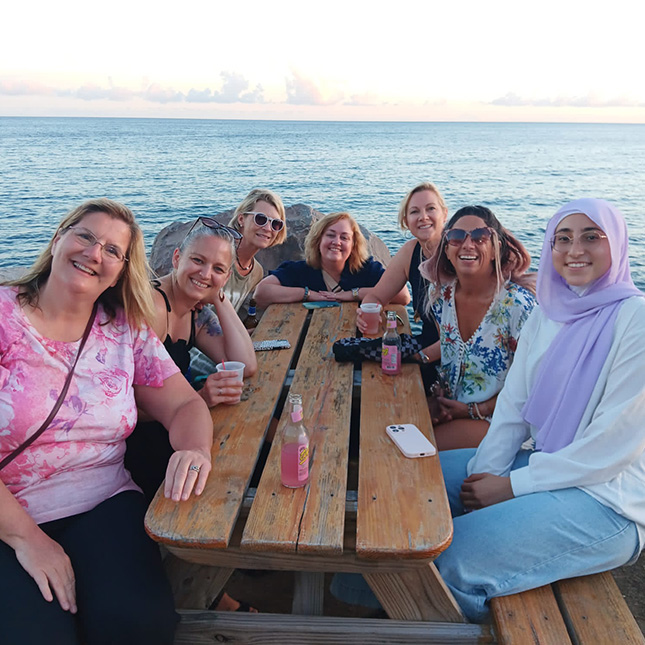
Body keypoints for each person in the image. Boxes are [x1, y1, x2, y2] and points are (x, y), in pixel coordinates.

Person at [0, 198, 213, 644]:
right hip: (9, 512)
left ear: (121, 270)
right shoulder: (5, 318)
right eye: (86, 236)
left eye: (113, 251)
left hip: (103, 500)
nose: (95, 253)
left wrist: (194, 449)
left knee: (137, 624)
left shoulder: (124, 328)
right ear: (59, 239)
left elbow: (184, 406)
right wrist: (29, 540)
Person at [435, 198, 645, 623]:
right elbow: (513, 408)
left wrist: (509, 488)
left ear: (617, 245)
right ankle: (366, 603)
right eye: (562, 239)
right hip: (547, 462)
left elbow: (610, 448)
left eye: (591, 237)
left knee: (452, 561)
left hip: (608, 499)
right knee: (418, 488)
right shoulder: (548, 314)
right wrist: (485, 475)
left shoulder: (635, 319)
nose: (574, 250)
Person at [126, 216, 257, 502]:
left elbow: (246, 364)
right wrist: (201, 397)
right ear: (176, 258)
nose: (205, 272)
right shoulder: (152, 307)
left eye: (219, 268)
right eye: (198, 260)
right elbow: (127, 406)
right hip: (138, 448)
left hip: (177, 433)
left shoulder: (196, 314)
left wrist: (217, 296)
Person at [419, 205, 536, 450]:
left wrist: (474, 409)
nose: (468, 244)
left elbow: (532, 384)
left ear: (496, 249)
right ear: (447, 249)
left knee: (418, 451)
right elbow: (454, 346)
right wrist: (438, 389)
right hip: (456, 409)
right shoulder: (441, 294)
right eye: (456, 236)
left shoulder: (517, 306)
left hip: (504, 420)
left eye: (480, 237)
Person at [356, 182, 447, 382]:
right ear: (406, 221)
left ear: (444, 214)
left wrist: (416, 359)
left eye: (431, 208)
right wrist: (366, 312)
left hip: (454, 357)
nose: (423, 217)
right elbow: (377, 295)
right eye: (415, 212)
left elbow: (463, 336)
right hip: (427, 348)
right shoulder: (411, 252)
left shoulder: (456, 254)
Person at [254, 212, 409, 307]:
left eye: (344, 237)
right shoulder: (300, 270)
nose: (337, 242)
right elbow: (261, 293)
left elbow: (403, 296)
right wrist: (308, 294)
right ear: (318, 240)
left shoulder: (367, 269)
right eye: (330, 235)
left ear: (353, 244)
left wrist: (353, 294)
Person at [225, 188, 287, 313]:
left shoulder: (256, 272)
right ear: (241, 219)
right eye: (260, 219)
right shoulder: (220, 256)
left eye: (275, 224)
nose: (268, 228)